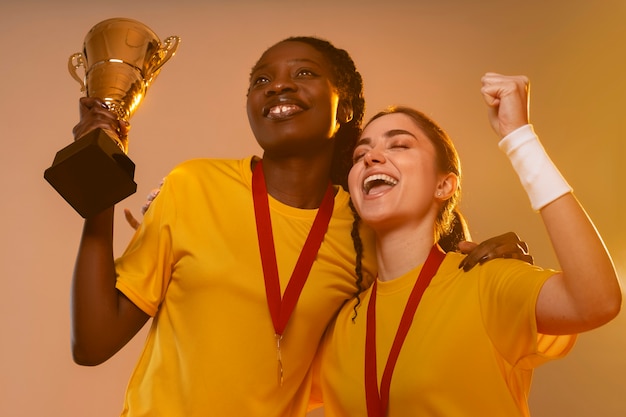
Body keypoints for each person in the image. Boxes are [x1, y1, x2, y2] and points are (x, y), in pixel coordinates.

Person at [70, 36, 533, 417]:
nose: (278, 87)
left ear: (346, 105)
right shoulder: (193, 185)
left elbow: (435, 286)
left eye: (304, 73)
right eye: (262, 80)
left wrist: (496, 260)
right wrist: (99, 182)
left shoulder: (365, 228)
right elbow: (92, 342)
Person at [316, 73, 622, 417]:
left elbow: (598, 300)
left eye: (398, 145)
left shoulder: (485, 282)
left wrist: (519, 139)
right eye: (361, 154)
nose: (371, 158)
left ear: (444, 186)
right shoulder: (339, 324)